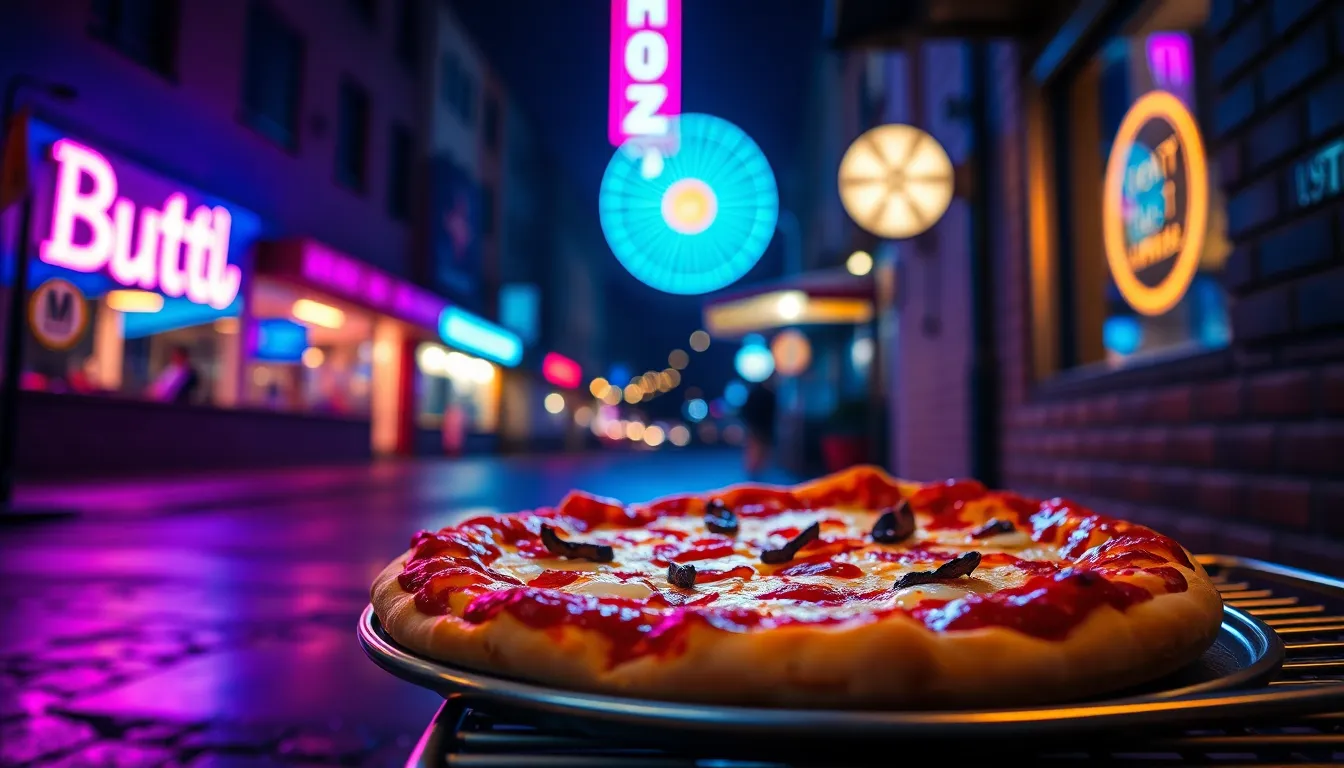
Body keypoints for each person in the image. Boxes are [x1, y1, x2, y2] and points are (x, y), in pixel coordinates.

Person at [739, 378, 777, 479]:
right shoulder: (768, 394)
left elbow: (745, 410)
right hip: (760, 427)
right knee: (759, 450)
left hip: (757, 427)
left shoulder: (756, 393)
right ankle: (756, 474)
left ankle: (755, 474)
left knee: (758, 450)